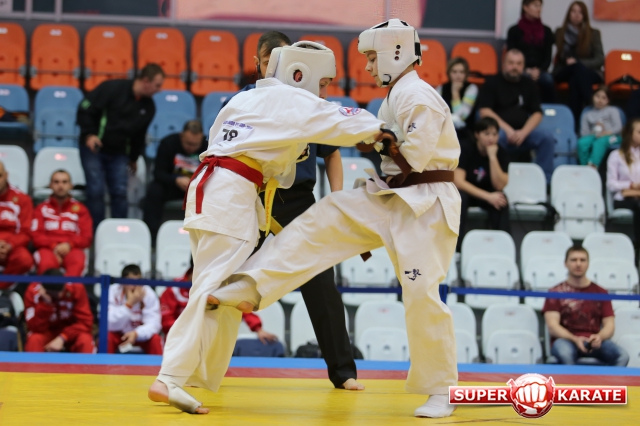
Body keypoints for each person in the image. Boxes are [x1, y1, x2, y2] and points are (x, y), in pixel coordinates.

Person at [212, 19, 460, 418]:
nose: (368, 67)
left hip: (424, 204)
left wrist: (372, 138)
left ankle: (441, 390)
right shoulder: (396, 96)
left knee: (421, 295)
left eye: (373, 58)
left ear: (395, 53)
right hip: (392, 195)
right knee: (324, 218)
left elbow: (413, 157)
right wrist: (368, 134)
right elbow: (386, 146)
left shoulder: (418, 96)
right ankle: (253, 284)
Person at [147, 41, 389, 415]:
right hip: (232, 196)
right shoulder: (291, 98)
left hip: (215, 191)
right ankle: (169, 378)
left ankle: (193, 374)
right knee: (210, 288)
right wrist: (386, 132)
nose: (324, 92)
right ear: (301, 73)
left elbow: (275, 163)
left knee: (221, 292)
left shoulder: (245, 99)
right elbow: (344, 118)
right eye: (323, 83)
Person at [221, 30, 360, 391]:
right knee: (221, 279)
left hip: (298, 200)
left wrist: (337, 199)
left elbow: (331, 152)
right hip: (251, 198)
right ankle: (201, 368)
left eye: (282, 61)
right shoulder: (244, 101)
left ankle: (343, 372)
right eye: (269, 62)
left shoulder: (309, 101)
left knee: (322, 282)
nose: (276, 68)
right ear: (258, 64)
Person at [76, 63, 164, 228]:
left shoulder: (149, 107)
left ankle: (118, 231)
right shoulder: (112, 88)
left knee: (119, 192)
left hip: (119, 153)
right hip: (94, 148)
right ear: (146, 81)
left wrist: (133, 158)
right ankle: (97, 232)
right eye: (157, 85)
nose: (159, 90)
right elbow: (85, 108)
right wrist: (89, 134)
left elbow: (139, 135)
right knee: (95, 191)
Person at [477, 49, 555, 182]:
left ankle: (544, 182)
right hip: (500, 130)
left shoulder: (529, 84)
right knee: (495, 137)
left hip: (523, 132)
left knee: (546, 138)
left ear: (523, 66)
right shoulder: (492, 82)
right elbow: (485, 111)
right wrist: (509, 130)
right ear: (503, 64)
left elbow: (537, 113)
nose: (515, 67)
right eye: (511, 63)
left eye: (519, 64)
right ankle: (499, 178)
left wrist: (523, 132)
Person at [543, 246, 629, 366]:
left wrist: (599, 337)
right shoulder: (555, 292)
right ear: (565, 263)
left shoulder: (601, 292)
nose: (578, 264)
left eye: (582, 260)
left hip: (594, 341)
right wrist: (575, 339)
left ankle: (607, 380)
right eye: (574, 260)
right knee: (565, 354)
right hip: (566, 340)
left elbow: (610, 325)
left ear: (588, 264)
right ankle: (573, 379)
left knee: (622, 356)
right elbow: (552, 326)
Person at [160, 263, 277, 344]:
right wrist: (191, 331)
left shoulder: (218, 285)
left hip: (210, 340)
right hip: (179, 340)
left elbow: (238, 304)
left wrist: (258, 329)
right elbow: (166, 322)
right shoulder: (173, 289)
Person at [143, 120, 208, 241]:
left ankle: (205, 238)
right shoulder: (168, 143)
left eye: (195, 145)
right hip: (172, 185)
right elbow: (158, 173)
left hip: (197, 188)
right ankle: (151, 237)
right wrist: (176, 180)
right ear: (181, 136)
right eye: (188, 143)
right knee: (154, 191)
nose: (191, 148)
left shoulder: (207, 147)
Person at [454, 117, 510, 248]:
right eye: (487, 134)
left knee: (501, 200)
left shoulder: (501, 152)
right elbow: (458, 182)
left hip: (487, 191)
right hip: (468, 191)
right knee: (460, 198)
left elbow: (499, 185)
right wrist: (488, 197)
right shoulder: (466, 148)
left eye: (494, 134)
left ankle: (502, 247)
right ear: (477, 134)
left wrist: (492, 157)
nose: (491, 138)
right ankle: (458, 248)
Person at [32, 170, 93, 276]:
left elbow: (86, 237)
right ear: (50, 185)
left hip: (72, 249)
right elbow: (36, 235)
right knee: (45, 261)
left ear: (71, 185)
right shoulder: (41, 209)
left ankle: (70, 287)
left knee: (78, 260)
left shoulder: (81, 209)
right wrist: (53, 246)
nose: (60, 186)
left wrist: (69, 245)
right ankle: (45, 287)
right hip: (48, 249)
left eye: (64, 182)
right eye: (56, 182)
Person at [553, 1, 604, 128]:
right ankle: (591, 104)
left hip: (589, 71)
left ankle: (573, 125)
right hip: (564, 70)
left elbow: (599, 59)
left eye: (580, 12)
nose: (576, 15)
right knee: (575, 71)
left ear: (584, 15)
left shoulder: (593, 33)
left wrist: (579, 63)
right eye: (574, 11)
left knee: (575, 78)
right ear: (569, 14)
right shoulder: (559, 32)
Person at [24, 269, 94, 353]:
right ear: (45, 290)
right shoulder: (33, 292)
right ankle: (33, 363)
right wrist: (45, 304)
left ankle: (87, 363)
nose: (60, 295)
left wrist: (63, 337)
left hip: (72, 333)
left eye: (62, 290)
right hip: (47, 332)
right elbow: (34, 327)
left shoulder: (76, 287)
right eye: (55, 294)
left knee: (85, 340)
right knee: (34, 340)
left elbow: (86, 323)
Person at [506, 0, 556, 103]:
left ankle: (548, 108)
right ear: (525, 7)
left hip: (540, 71)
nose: (539, 9)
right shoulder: (514, 30)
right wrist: (526, 69)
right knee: (520, 77)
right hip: (520, 69)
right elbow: (511, 54)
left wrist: (539, 70)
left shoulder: (546, 31)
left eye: (540, 6)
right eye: (535, 6)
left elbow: (548, 57)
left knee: (548, 80)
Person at [108, 264, 162, 354]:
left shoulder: (148, 293)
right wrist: (129, 304)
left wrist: (136, 333)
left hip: (140, 335)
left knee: (155, 339)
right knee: (107, 337)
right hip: (119, 334)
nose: (134, 286)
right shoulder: (112, 291)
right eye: (130, 281)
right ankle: (103, 362)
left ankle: (158, 364)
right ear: (123, 282)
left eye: (138, 281)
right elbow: (109, 324)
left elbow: (154, 324)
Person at [606, 118, 640, 249]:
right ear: (630, 134)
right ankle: (638, 246)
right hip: (623, 198)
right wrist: (630, 185)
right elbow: (611, 184)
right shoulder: (616, 155)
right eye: (639, 132)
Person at [0, 161, 34, 291]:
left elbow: (26, 232)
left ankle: (2, 289)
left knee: (25, 260)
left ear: (6, 175)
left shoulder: (22, 199)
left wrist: (9, 245)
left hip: (12, 247)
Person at [578, 86, 623, 168]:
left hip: (612, 136)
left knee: (600, 142)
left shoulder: (612, 110)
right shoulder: (587, 114)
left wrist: (605, 132)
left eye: (604, 98)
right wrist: (594, 132)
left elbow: (618, 127)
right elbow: (584, 133)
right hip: (594, 135)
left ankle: (592, 166)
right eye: (597, 96)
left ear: (608, 100)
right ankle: (584, 167)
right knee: (582, 142)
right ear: (593, 97)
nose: (600, 100)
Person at [437, 57, 478, 143]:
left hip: (465, 132)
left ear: (466, 74)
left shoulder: (472, 88)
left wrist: (455, 93)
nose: (458, 75)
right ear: (449, 73)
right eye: (454, 72)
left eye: (461, 72)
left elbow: (462, 116)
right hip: (443, 129)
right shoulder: (441, 88)